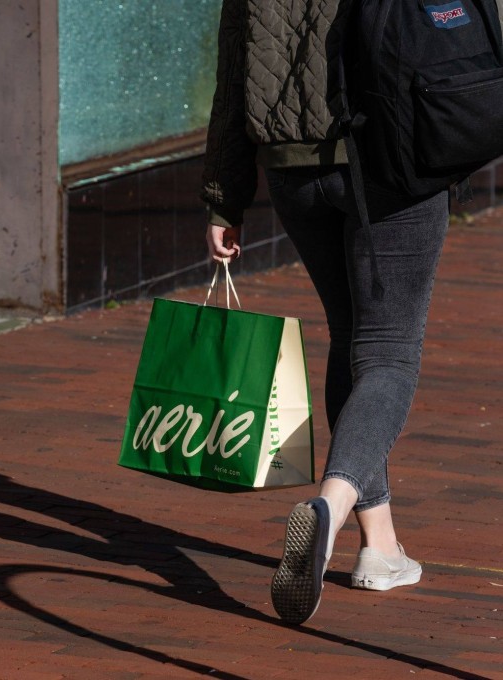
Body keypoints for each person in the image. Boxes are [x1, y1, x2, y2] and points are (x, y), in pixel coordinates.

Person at [200, 0, 445, 625]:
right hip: (390, 157)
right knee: (389, 352)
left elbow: (234, 77)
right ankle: (331, 507)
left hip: (293, 168)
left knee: (352, 339)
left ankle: (380, 546)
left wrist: (224, 199)